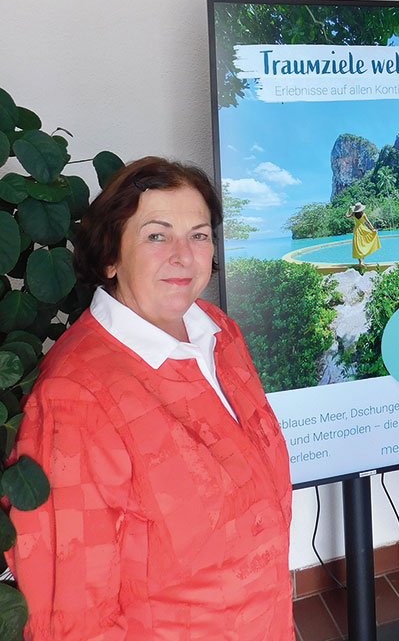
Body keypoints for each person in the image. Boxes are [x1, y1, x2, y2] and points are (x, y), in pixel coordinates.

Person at [6, 157, 294, 640]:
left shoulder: (218, 331)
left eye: (199, 235)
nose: (183, 254)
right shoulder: (75, 398)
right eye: (157, 235)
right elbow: (72, 612)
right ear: (110, 256)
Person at [345, 201, 380, 266]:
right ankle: (362, 262)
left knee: (357, 246)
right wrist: (373, 229)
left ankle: (360, 262)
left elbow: (346, 216)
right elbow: (368, 222)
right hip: (363, 229)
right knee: (363, 244)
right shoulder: (363, 214)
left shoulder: (353, 214)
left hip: (356, 230)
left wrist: (349, 209)